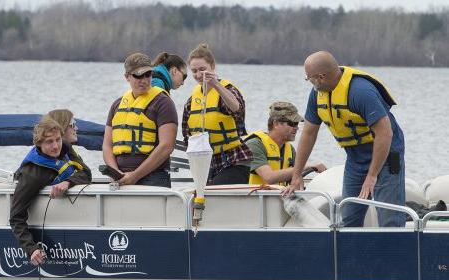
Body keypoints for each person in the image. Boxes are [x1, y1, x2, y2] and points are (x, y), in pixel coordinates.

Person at [283, 51, 405, 227]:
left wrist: (372, 175)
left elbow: (385, 134)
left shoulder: (361, 91)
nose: (309, 82)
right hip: (356, 158)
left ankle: (395, 252)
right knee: (349, 217)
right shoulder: (317, 94)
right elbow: (309, 133)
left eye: (309, 78)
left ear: (321, 77)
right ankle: (350, 253)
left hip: (386, 156)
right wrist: (296, 174)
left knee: (390, 218)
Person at [10, 111, 92, 266]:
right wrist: (31, 249)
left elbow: (86, 173)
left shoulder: (64, 148)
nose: (55, 146)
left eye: (58, 139)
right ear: (39, 143)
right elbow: (16, 217)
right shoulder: (32, 174)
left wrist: (68, 182)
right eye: (49, 142)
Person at [103, 52, 177, 187]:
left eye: (148, 74)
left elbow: (167, 146)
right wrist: (114, 172)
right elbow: (107, 145)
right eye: (138, 75)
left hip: (153, 178)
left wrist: (135, 175)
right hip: (120, 179)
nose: (144, 80)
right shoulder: (117, 105)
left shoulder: (163, 103)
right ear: (127, 77)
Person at [182, 43, 252, 185]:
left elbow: (236, 108)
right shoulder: (192, 101)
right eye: (194, 71)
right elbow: (187, 135)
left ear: (212, 67)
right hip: (207, 164)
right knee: (200, 201)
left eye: (202, 69)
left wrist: (216, 85)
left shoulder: (227, 90)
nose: (198, 75)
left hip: (234, 160)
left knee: (212, 196)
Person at [245, 101, 326, 186]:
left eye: (297, 124)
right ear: (276, 124)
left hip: (278, 197)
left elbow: (295, 177)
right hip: (254, 198)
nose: (296, 128)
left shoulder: (290, 149)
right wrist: (308, 166)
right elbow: (269, 177)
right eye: (292, 123)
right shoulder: (255, 145)